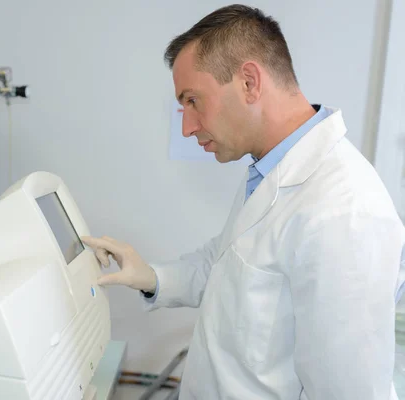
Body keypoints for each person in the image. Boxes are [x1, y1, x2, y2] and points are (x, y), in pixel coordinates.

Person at [82, 4, 405, 399]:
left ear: (249, 82)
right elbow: (225, 264)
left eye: (192, 100)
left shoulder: (344, 212)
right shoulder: (269, 170)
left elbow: (349, 392)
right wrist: (149, 276)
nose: (186, 126)